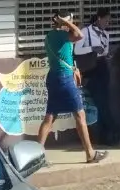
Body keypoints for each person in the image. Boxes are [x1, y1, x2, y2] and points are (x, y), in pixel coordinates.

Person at [37, 13, 106, 163]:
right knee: (80, 116)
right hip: (64, 79)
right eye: (70, 21)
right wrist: (66, 22)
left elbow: (65, 53)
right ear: (63, 24)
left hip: (54, 78)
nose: (73, 23)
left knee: (49, 117)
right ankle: (90, 153)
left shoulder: (50, 36)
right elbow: (80, 35)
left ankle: (36, 156)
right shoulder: (62, 35)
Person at [75, 9, 120, 146]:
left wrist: (108, 54)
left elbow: (104, 51)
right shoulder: (85, 31)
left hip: (102, 68)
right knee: (100, 102)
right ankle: (113, 130)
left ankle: (105, 135)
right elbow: (76, 50)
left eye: (109, 20)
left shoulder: (105, 34)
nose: (108, 22)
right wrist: (92, 49)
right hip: (90, 69)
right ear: (98, 18)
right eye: (106, 19)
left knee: (103, 102)